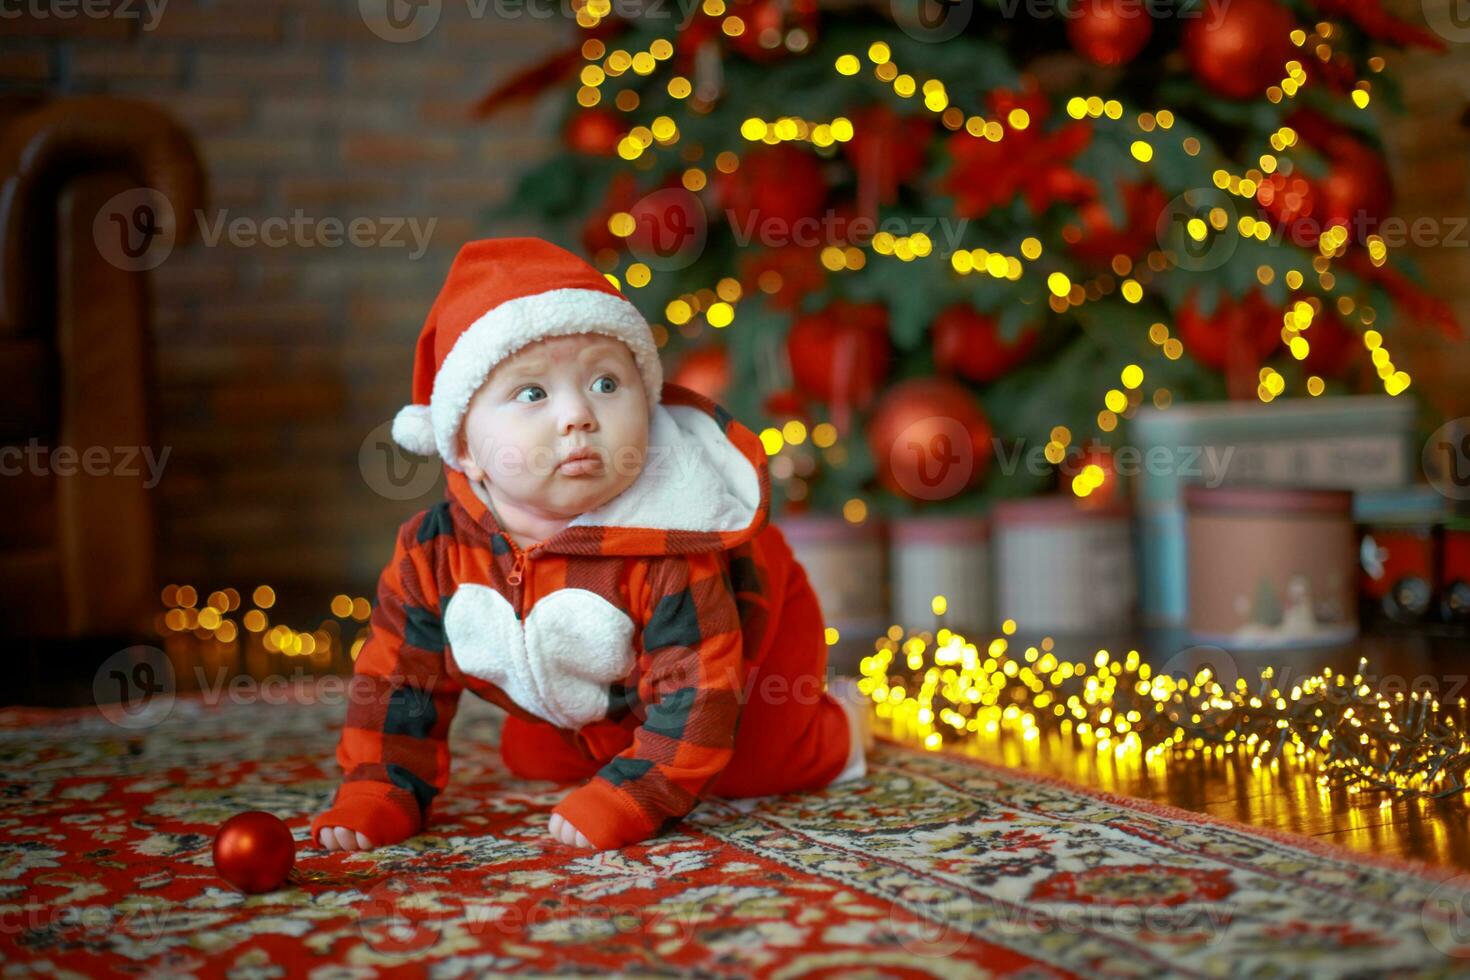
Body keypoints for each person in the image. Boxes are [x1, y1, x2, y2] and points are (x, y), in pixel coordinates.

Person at [311, 237, 871, 853]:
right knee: (539, 759)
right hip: (607, 687)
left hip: (746, 651)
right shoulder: (432, 553)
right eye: (532, 394)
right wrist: (378, 787)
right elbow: (398, 681)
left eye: (606, 383)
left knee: (745, 768)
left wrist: (634, 795)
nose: (578, 414)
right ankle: (587, 734)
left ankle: (842, 725)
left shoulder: (669, 539)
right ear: (463, 447)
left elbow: (698, 693)